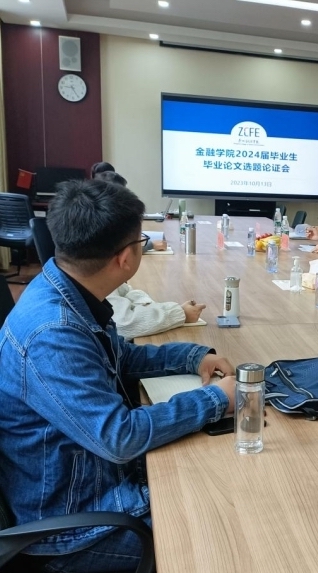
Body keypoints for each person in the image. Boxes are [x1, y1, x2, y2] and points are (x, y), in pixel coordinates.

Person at [0, 178, 236, 571]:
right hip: (73, 529)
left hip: (91, 482)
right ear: (125, 258)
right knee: (224, 528)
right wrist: (217, 399)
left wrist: (192, 356)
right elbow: (119, 437)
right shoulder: (52, 333)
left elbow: (119, 357)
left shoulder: (66, 289)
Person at [95, 171, 206, 338]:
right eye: (141, 241)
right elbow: (124, 324)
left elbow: (125, 291)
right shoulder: (101, 278)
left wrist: (147, 306)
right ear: (125, 258)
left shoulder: (96, 268)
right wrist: (180, 313)